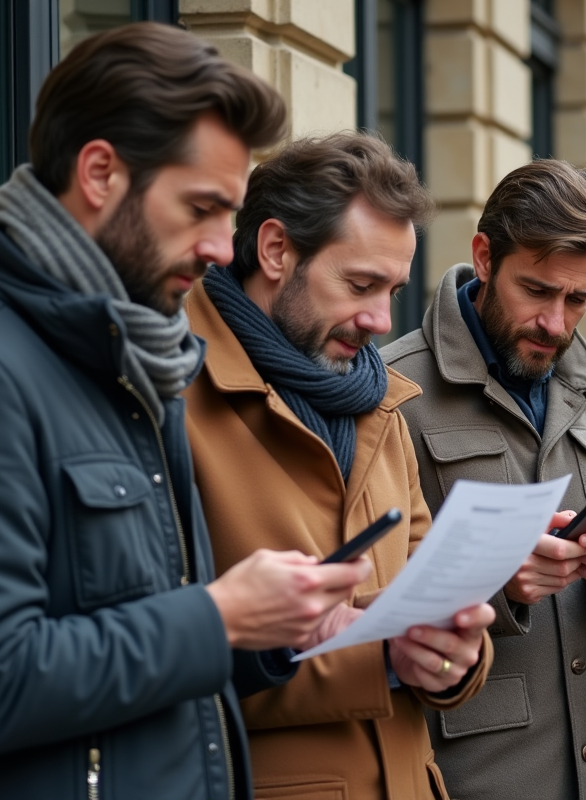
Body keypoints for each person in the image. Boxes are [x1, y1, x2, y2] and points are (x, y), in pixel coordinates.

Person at [0, 24, 376, 800]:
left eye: (227, 216)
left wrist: (274, 632)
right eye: (201, 207)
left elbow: (149, 647)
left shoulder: (134, 362)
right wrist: (222, 616)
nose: (216, 248)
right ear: (100, 172)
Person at [182, 132, 495, 800]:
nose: (381, 319)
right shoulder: (176, 396)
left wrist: (457, 656)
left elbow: (424, 596)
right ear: (275, 251)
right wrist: (381, 653)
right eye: (359, 284)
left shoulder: (378, 400)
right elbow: (162, 658)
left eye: (393, 289)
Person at [382, 160, 586, 800]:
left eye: (578, 299)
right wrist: (500, 585)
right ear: (483, 257)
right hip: (470, 773)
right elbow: (367, 598)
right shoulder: (393, 390)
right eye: (536, 290)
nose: (555, 323)